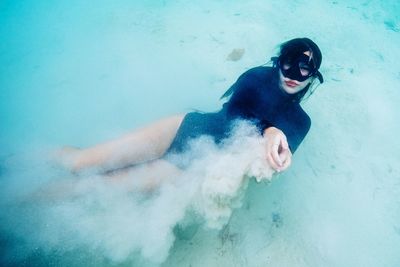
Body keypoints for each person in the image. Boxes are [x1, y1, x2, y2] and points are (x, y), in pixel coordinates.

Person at [59, 37, 323, 189]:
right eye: (288, 62)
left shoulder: (301, 122)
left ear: (312, 76)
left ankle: (21, 200)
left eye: (304, 68)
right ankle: (25, 161)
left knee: (96, 187)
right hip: (185, 127)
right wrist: (268, 129)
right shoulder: (256, 77)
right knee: (79, 162)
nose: (293, 74)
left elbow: (272, 161)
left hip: (194, 166)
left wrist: (279, 157)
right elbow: (234, 112)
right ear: (279, 61)